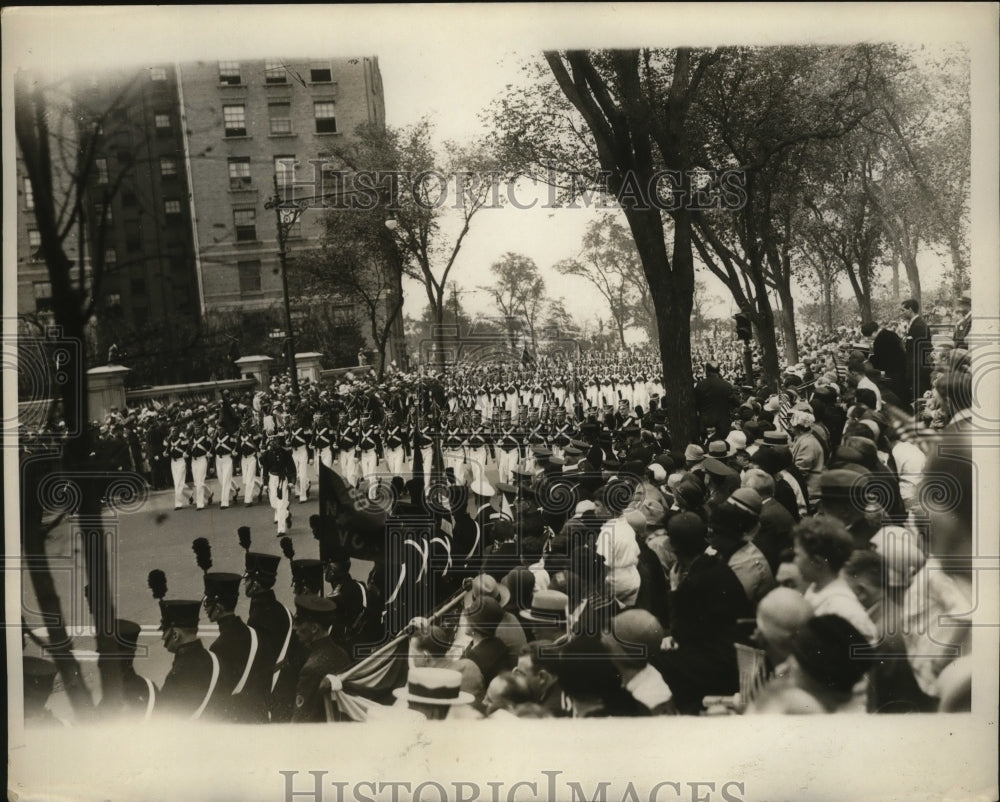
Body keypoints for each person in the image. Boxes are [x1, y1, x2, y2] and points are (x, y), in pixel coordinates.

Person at [792, 517, 877, 643]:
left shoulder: (843, 609)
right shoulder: (814, 589)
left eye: (798, 555)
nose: (795, 561)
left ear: (818, 562)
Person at [202, 571, 271, 723]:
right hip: (260, 715)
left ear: (219, 607)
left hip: (238, 720)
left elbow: (219, 694)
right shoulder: (253, 633)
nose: (205, 609)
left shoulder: (219, 647)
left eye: (207, 604)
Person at [290, 595, 352, 723]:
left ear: (314, 628)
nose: (294, 628)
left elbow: (300, 720)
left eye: (299, 623)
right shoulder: (342, 654)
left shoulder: (311, 669)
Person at [157, 598, 220, 720]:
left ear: (175, 635)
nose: (163, 638)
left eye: (164, 631)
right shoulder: (212, 659)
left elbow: (162, 719)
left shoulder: (177, 674)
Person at [694, 361, 737, 440]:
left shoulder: (700, 385)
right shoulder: (726, 385)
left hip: (705, 424)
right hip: (723, 424)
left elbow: (695, 404)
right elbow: (734, 403)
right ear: (718, 371)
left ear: (706, 371)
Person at [901, 299, 932, 406]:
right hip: (916, 368)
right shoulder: (914, 323)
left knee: (920, 397)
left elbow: (922, 349)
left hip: (919, 370)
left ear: (910, 309)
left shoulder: (919, 325)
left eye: (903, 310)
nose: (902, 313)